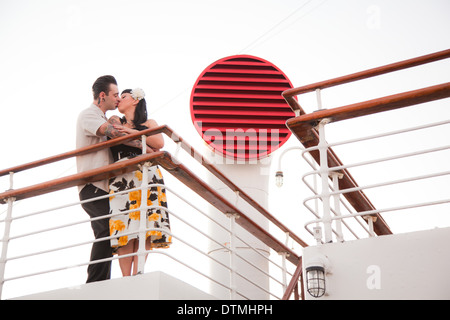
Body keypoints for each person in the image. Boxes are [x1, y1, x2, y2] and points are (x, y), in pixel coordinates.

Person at [76, 76, 147, 283]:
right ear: (102, 95)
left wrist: (117, 120)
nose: (117, 99)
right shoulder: (89, 114)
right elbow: (113, 133)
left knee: (111, 231)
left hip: (106, 186)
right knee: (106, 230)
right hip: (93, 185)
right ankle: (95, 283)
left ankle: (101, 281)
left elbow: (113, 125)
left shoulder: (103, 116)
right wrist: (144, 145)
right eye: (115, 95)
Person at [108, 88, 172, 277]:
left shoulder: (149, 123)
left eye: (124, 96)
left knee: (143, 224)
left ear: (135, 100)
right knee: (123, 226)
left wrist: (129, 130)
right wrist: (141, 140)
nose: (119, 99)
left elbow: (159, 143)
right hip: (122, 176)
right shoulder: (114, 120)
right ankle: (126, 277)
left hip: (146, 175)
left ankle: (139, 273)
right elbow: (114, 133)